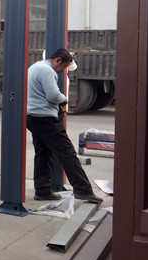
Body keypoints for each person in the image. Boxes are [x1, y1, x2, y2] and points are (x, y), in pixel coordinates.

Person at [26, 48, 102, 203]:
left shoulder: (35, 67)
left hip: (32, 116)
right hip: (46, 118)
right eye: (64, 66)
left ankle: (42, 190)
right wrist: (64, 99)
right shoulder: (47, 71)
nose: (63, 70)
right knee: (67, 152)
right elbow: (53, 96)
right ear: (58, 60)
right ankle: (83, 190)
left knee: (44, 153)